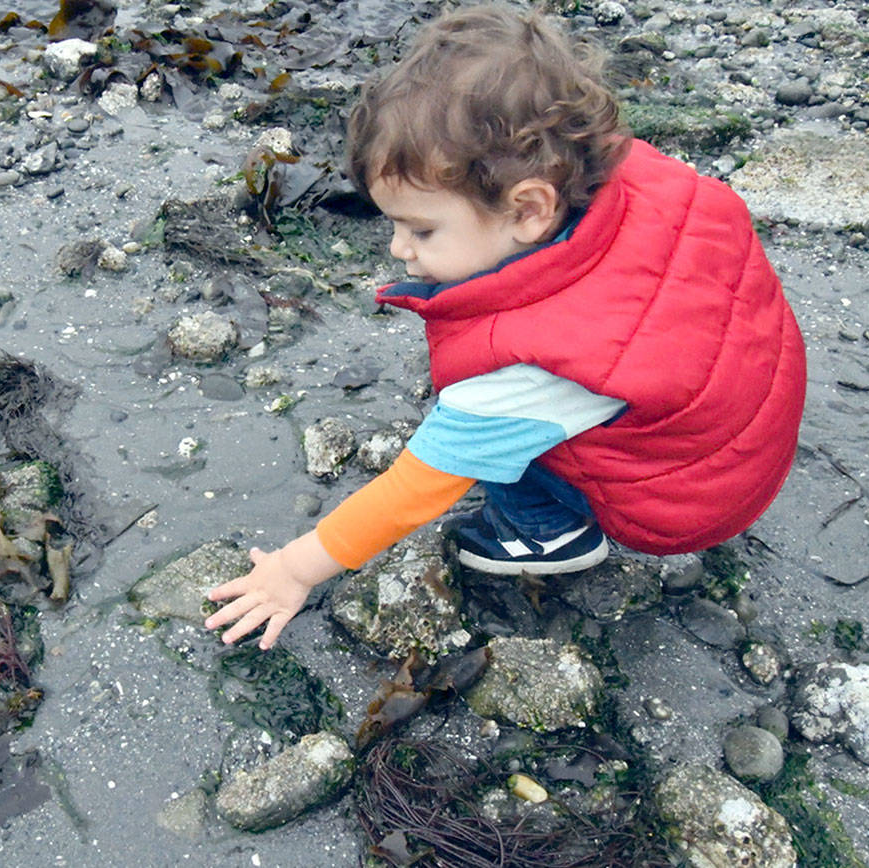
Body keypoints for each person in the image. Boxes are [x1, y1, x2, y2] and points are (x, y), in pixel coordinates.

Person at [204, 4, 806, 650]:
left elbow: (415, 489)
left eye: (422, 229)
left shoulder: (538, 365)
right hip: (748, 427)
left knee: (479, 434)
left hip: (691, 498)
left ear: (529, 210)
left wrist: (294, 570)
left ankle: (547, 536)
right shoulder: (633, 178)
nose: (398, 249)